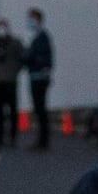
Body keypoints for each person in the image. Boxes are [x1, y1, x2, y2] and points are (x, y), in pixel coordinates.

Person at [18, 8, 57, 146]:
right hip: (35, 76)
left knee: (40, 108)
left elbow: (44, 58)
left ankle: (43, 140)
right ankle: (41, 139)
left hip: (40, 77)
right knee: (38, 108)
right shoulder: (35, 37)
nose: (29, 22)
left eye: (32, 19)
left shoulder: (42, 37)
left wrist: (29, 58)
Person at [0, 17, 28, 143]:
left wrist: (15, 70)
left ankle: (12, 135)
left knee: (12, 108)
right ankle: (0, 135)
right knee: (0, 109)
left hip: (10, 79)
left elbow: (23, 58)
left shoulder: (15, 42)